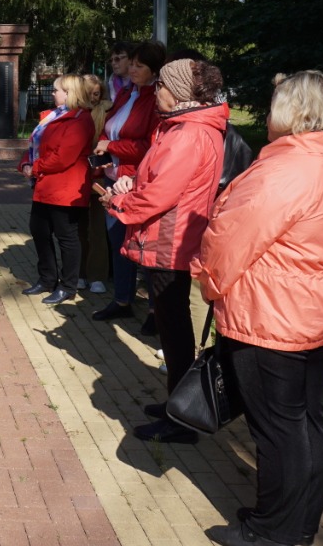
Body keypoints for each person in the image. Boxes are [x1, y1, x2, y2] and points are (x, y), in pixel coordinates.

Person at [195, 71, 323, 546]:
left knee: (278, 426)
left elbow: (229, 241)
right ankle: (300, 522)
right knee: (312, 417)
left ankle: (271, 531)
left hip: (271, 315)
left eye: (274, 104)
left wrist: (208, 284)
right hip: (316, 309)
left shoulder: (285, 169)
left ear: (291, 111)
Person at [101, 58, 227, 444]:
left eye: (161, 85)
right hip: (168, 237)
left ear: (178, 91)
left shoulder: (189, 133)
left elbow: (162, 193)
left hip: (171, 241)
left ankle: (182, 418)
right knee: (173, 330)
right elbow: (155, 180)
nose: (155, 91)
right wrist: (131, 185)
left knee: (174, 331)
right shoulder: (184, 126)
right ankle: (177, 402)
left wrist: (119, 202)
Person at [90, 39, 165, 323]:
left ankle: (155, 311)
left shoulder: (156, 100)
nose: (132, 69)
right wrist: (105, 151)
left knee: (144, 248)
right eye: (131, 63)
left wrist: (111, 147)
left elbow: (151, 146)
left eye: (139, 65)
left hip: (136, 183)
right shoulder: (126, 93)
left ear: (154, 70)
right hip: (114, 179)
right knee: (118, 244)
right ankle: (122, 300)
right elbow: (109, 128)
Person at [19, 74, 95, 305]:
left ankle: (68, 285)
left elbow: (63, 157)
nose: (52, 93)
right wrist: (25, 163)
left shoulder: (80, 119)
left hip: (66, 188)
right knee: (39, 230)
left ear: (70, 92)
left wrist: (34, 168)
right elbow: (36, 145)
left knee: (66, 236)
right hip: (46, 184)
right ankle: (47, 279)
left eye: (56, 90)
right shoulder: (53, 116)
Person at [77, 74, 110, 294]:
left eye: (96, 93)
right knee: (78, 229)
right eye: (89, 93)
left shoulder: (107, 112)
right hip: (77, 178)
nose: (93, 98)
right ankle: (79, 273)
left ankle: (97, 275)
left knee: (97, 229)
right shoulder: (74, 114)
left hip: (99, 176)